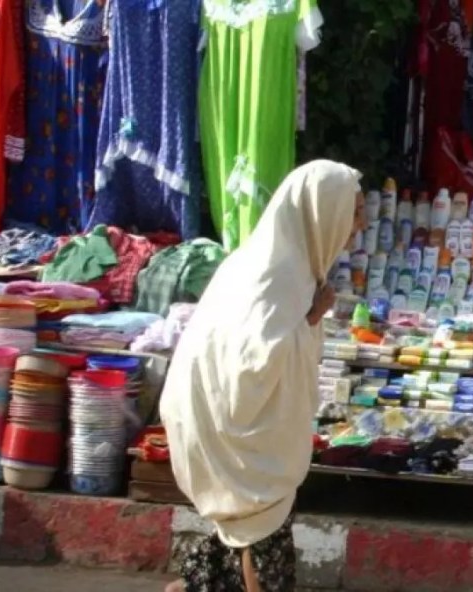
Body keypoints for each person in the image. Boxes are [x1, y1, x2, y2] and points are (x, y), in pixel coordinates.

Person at [160, 160, 365, 592]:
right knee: (261, 527)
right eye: (354, 212)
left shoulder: (282, 264)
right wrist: (311, 318)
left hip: (221, 415)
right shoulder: (277, 275)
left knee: (248, 527)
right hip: (232, 422)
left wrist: (308, 319)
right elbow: (254, 365)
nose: (358, 226)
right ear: (322, 210)